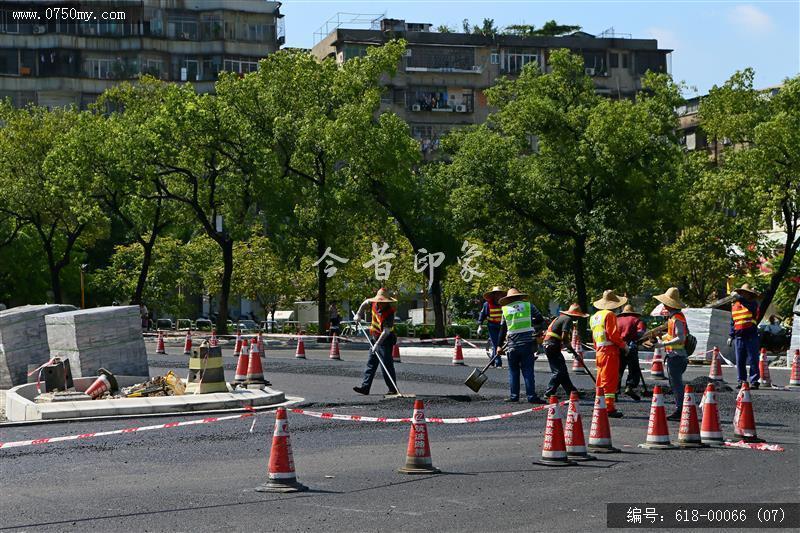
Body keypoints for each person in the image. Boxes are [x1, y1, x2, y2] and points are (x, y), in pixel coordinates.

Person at [496, 288, 547, 404]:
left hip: (512, 345)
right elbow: (540, 320)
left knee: (513, 371)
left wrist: (499, 346)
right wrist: (531, 325)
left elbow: (502, 329)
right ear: (519, 296)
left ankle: (514, 396)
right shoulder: (529, 306)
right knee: (528, 370)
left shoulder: (505, 310)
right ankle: (531, 396)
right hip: (527, 344)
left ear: (508, 299)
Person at [651, 287, 690, 421]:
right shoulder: (673, 318)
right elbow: (672, 335)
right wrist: (661, 338)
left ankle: (681, 410)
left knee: (676, 384)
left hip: (677, 356)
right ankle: (681, 409)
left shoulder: (677, 318)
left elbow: (681, 338)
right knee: (675, 384)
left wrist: (662, 344)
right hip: (676, 355)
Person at [352, 288, 399, 396]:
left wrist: (377, 345)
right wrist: (358, 314)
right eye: (379, 301)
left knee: (386, 365)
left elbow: (386, 331)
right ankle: (365, 387)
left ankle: (393, 389)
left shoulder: (389, 313)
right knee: (371, 363)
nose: (380, 304)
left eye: (383, 302)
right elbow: (365, 303)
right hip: (374, 337)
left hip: (385, 340)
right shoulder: (373, 303)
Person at [590, 290, 628, 418]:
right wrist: (623, 345)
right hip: (609, 352)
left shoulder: (594, 317)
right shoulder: (610, 315)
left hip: (599, 351)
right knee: (610, 380)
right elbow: (613, 335)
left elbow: (594, 338)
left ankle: (599, 404)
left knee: (600, 380)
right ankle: (609, 408)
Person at [542, 303, 589, 398]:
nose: (577, 319)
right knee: (559, 371)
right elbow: (564, 338)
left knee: (562, 370)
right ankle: (549, 392)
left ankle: (572, 392)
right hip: (552, 345)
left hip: (550, 345)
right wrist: (575, 354)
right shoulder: (568, 320)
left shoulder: (561, 317)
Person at [728, 283, 762, 389]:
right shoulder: (735, 307)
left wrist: (739, 298)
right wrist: (731, 336)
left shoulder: (752, 304)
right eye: (742, 293)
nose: (743, 294)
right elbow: (733, 322)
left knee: (753, 359)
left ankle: (754, 381)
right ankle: (741, 380)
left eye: (745, 293)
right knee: (740, 360)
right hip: (739, 337)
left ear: (749, 295)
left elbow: (749, 305)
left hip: (751, 336)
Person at [616, 304, 647, 401]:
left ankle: (615, 391)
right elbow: (641, 332)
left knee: (618, 369)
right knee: (634, 369)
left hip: (619, 346)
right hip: (631, 346)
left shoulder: (617, 320)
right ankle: (630, 386)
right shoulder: (637, 320)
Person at [477, 286, 505, 368]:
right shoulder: (487, 305)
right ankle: (498, 363)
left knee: (496, 344)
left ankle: (492, 362)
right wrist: (480, 326)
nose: (498, 296)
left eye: (499, 294)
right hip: (492, 326)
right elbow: (482, 315)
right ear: (493, 295)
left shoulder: (504, 304)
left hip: (502, 327)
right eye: (496, 294)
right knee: (496, 344)